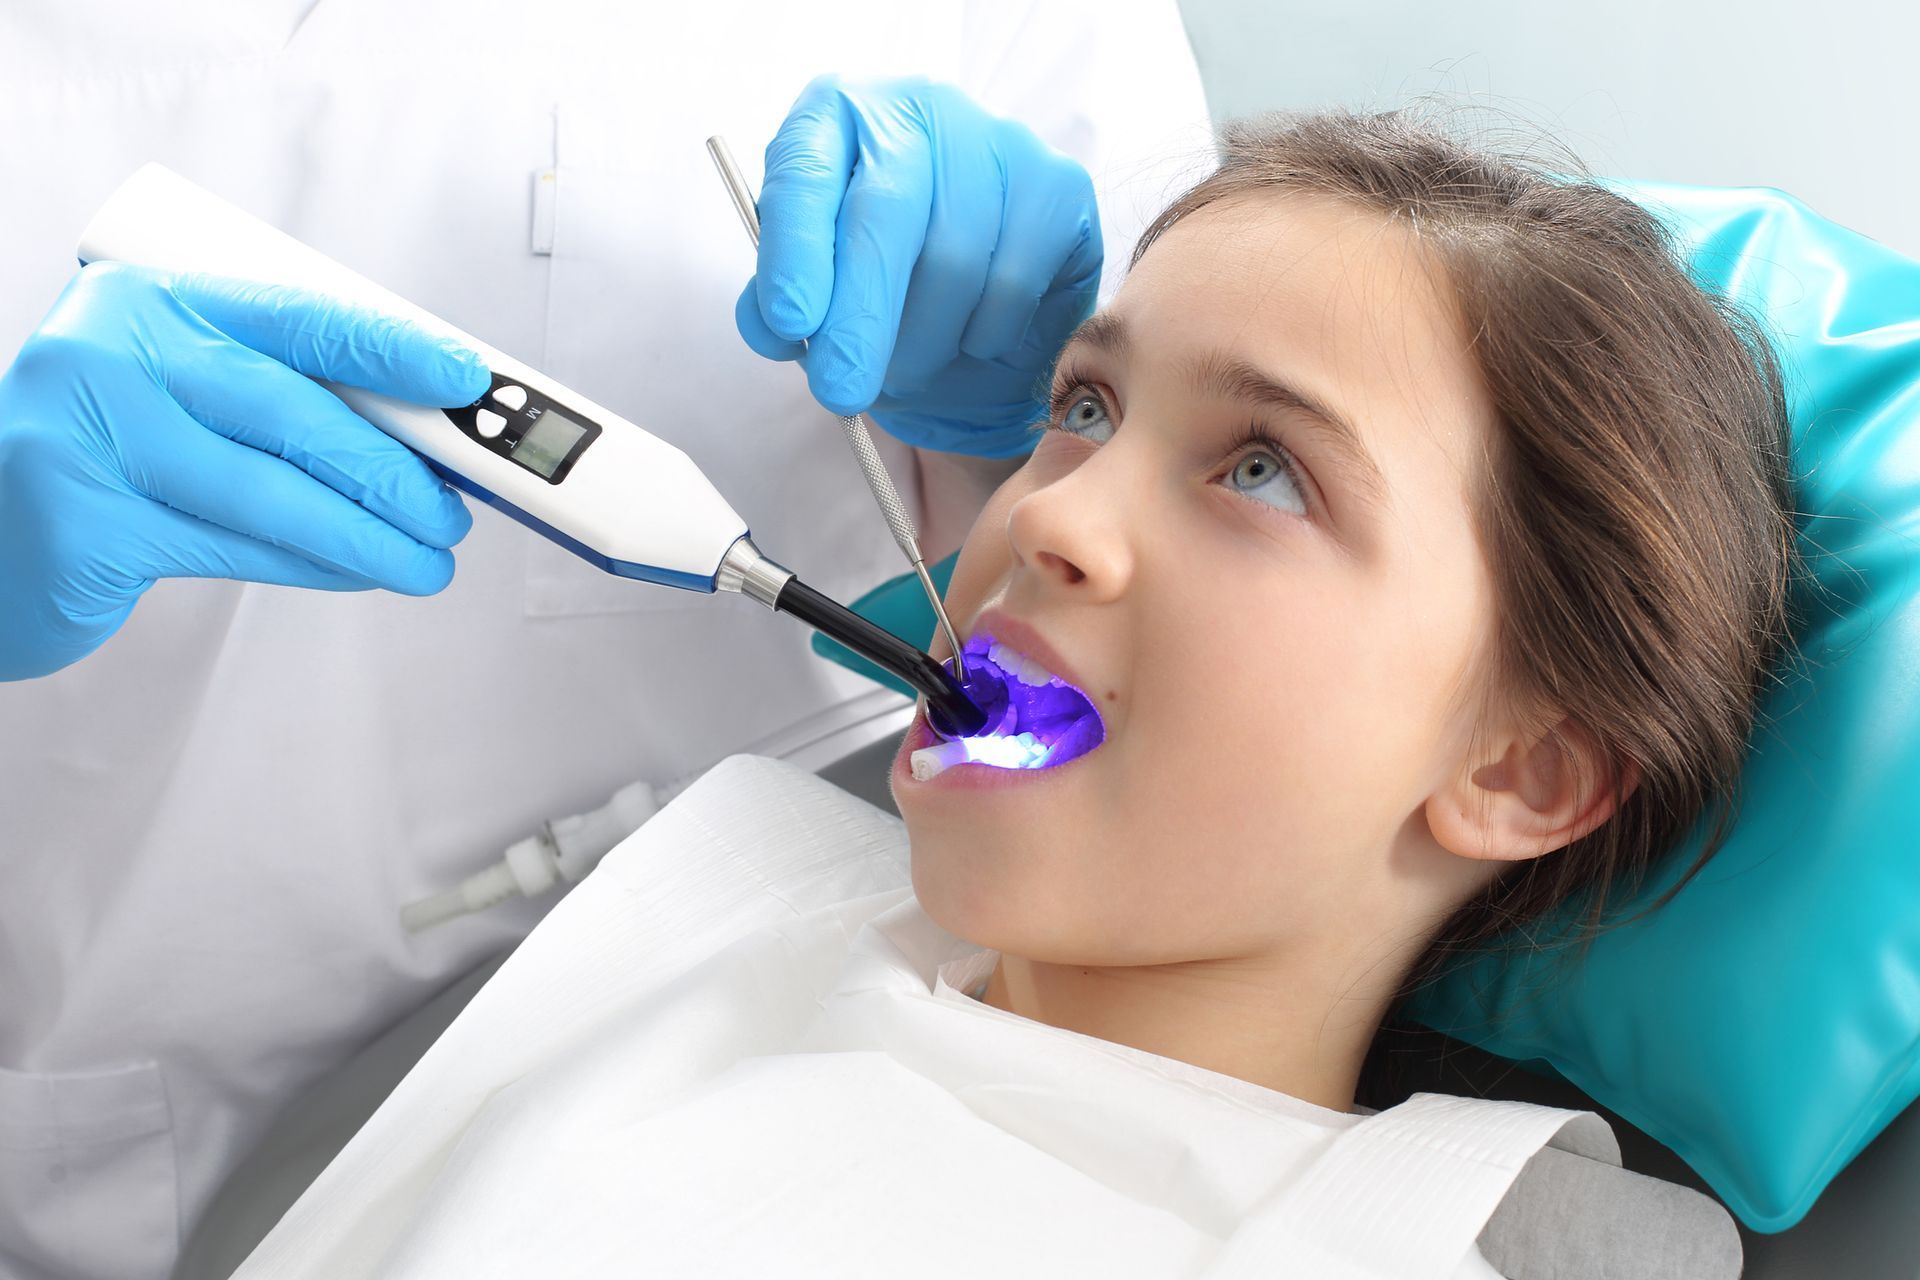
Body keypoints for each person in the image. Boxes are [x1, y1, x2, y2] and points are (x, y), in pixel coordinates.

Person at [227, 107, 1799, 1277]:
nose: (1040, 513)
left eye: (1263, 471)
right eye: (1084, 405)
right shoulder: (691, 919)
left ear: (1523, 773)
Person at [0, 4, 1209, 1277]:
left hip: (765, 1088)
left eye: (1257, 471)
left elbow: (1197, 447)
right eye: (1079, 412)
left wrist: (1020, 409)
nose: (1076, 515)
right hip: (110, 1149)